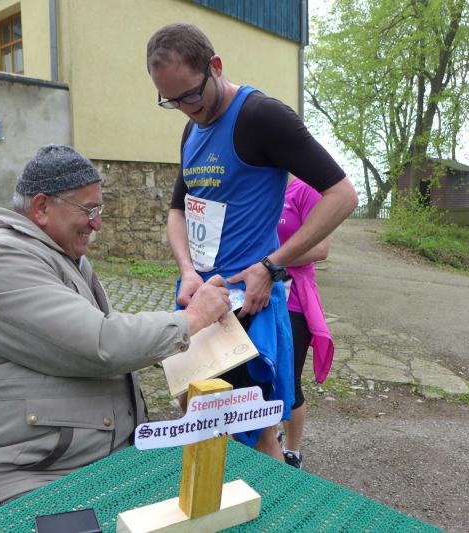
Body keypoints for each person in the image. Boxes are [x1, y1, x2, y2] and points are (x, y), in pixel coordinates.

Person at [0, 144, 230, 523]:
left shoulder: (62, 256)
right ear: (41, 207)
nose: (97, 224)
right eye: (89, 210)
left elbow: (97, 339)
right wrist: (192, 319)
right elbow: (101, 344)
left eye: (99, 210)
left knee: (205, 508)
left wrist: (180, 360)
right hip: (20, 479)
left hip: (84, 462)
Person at [146, 23, 358, 459]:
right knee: (193, 409)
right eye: (171, 101)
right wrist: (187, 270)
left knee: (255, 430)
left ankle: (264, 500)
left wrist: (272, 265)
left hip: (246, 301)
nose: (186, 109)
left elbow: (342, 196)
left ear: (215, 66)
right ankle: (215, 499)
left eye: (190, 95)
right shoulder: (191, 129)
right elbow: (177, 210)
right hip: (199, 297)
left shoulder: (262, 116)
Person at [276, 177, 335, 468]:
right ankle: (267, 435)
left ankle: (292, 452)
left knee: (289, 381)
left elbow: (321, 249)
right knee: (259, 376)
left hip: (293, 300)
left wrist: (272, 261)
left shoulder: (306, 189)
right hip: (257, 295)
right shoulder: (264, 183)